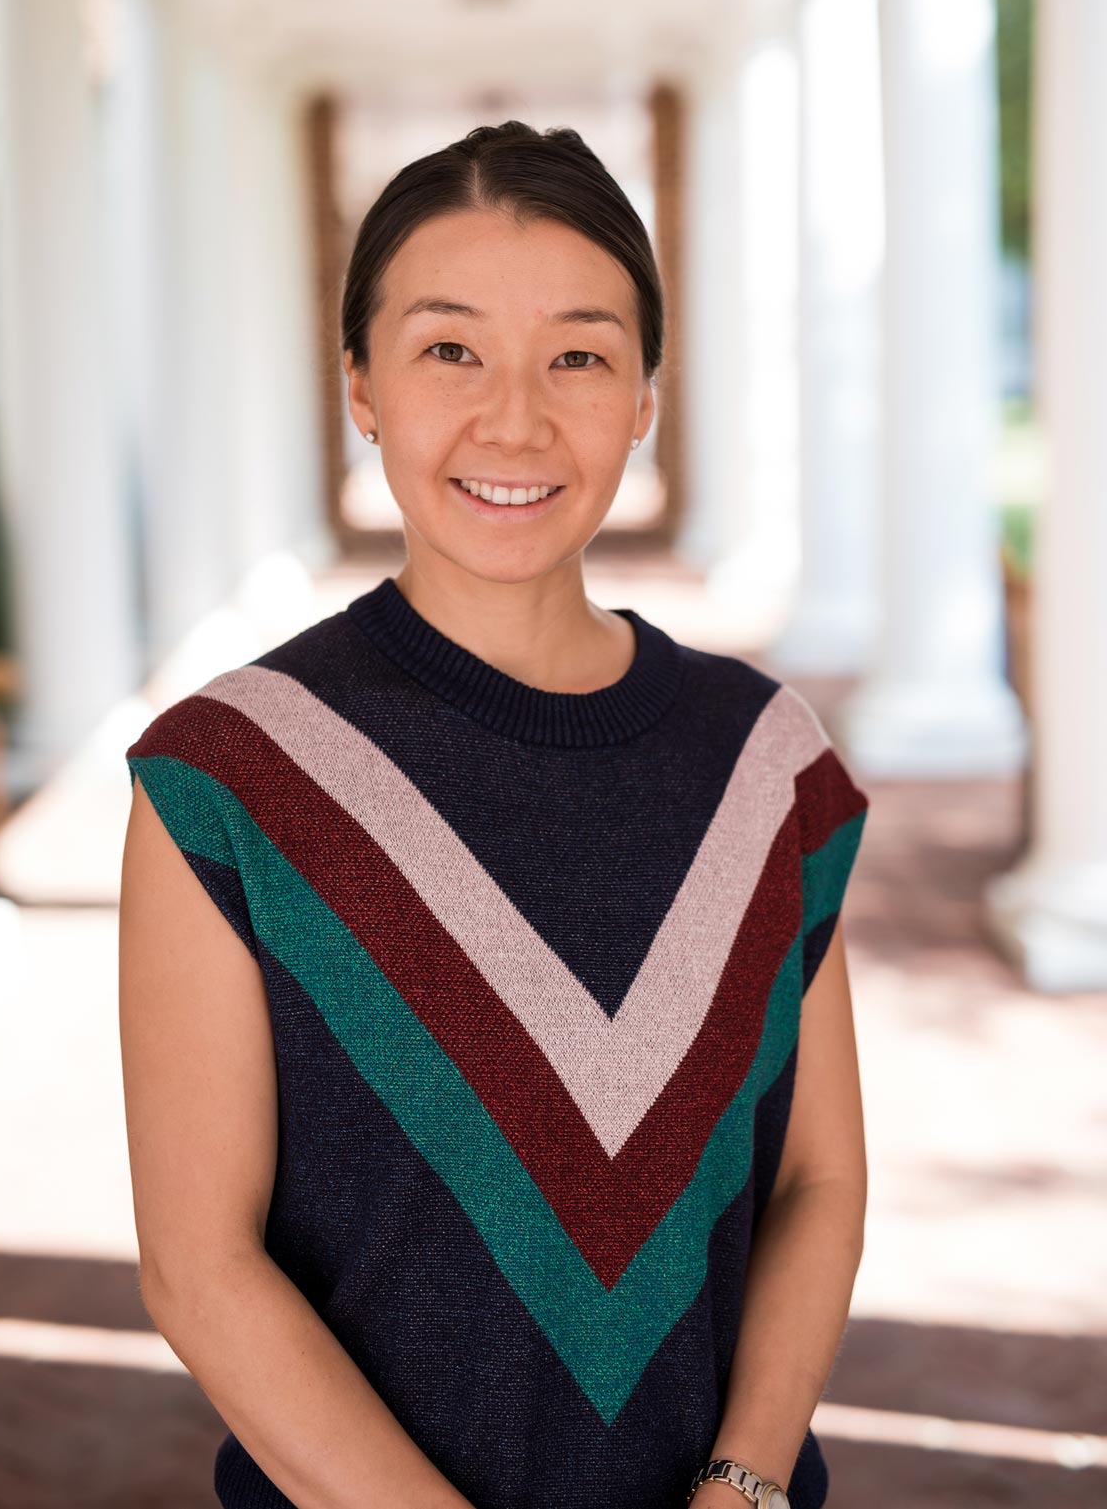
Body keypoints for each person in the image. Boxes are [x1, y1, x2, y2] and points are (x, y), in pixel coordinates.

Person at [118, 119, 870, 1509]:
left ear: (646, 392)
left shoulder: (766, 765)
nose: (514, 419)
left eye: (579, 354)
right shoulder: (229, 777)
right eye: (448, 349)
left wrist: (747, 1484)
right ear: (359, 383)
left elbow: (817, 1180)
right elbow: (200, 1266)